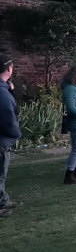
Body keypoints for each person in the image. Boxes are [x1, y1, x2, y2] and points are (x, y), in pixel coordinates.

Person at [0, 55, 21, 217]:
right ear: (9, 69)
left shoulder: (5, 90)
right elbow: (9, 118)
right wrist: (16, 133)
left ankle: (3, 199)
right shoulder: (2, 94)